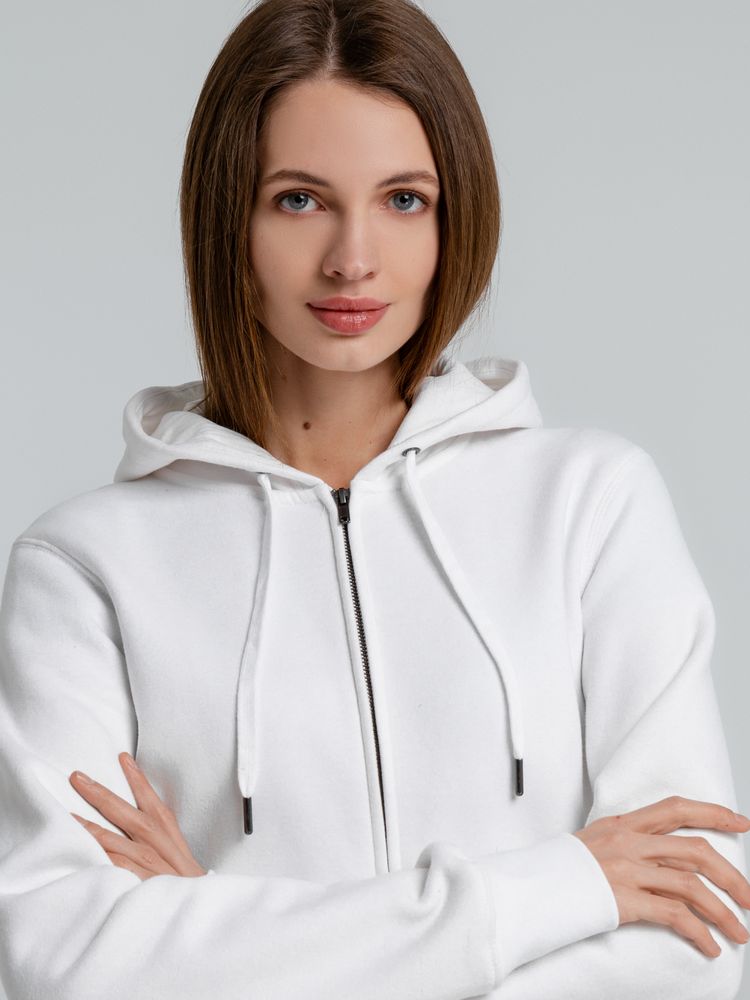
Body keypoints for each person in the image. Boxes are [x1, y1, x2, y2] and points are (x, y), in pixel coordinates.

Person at [0, 1, 747, 998]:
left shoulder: (590, 505)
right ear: (228, 218)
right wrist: (559, 886)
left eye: (403, 199)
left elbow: (697, 937)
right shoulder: (84, 567)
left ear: (454, 214)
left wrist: (216, 929)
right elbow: (61, 957)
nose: (353, 259)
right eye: (299, 200)